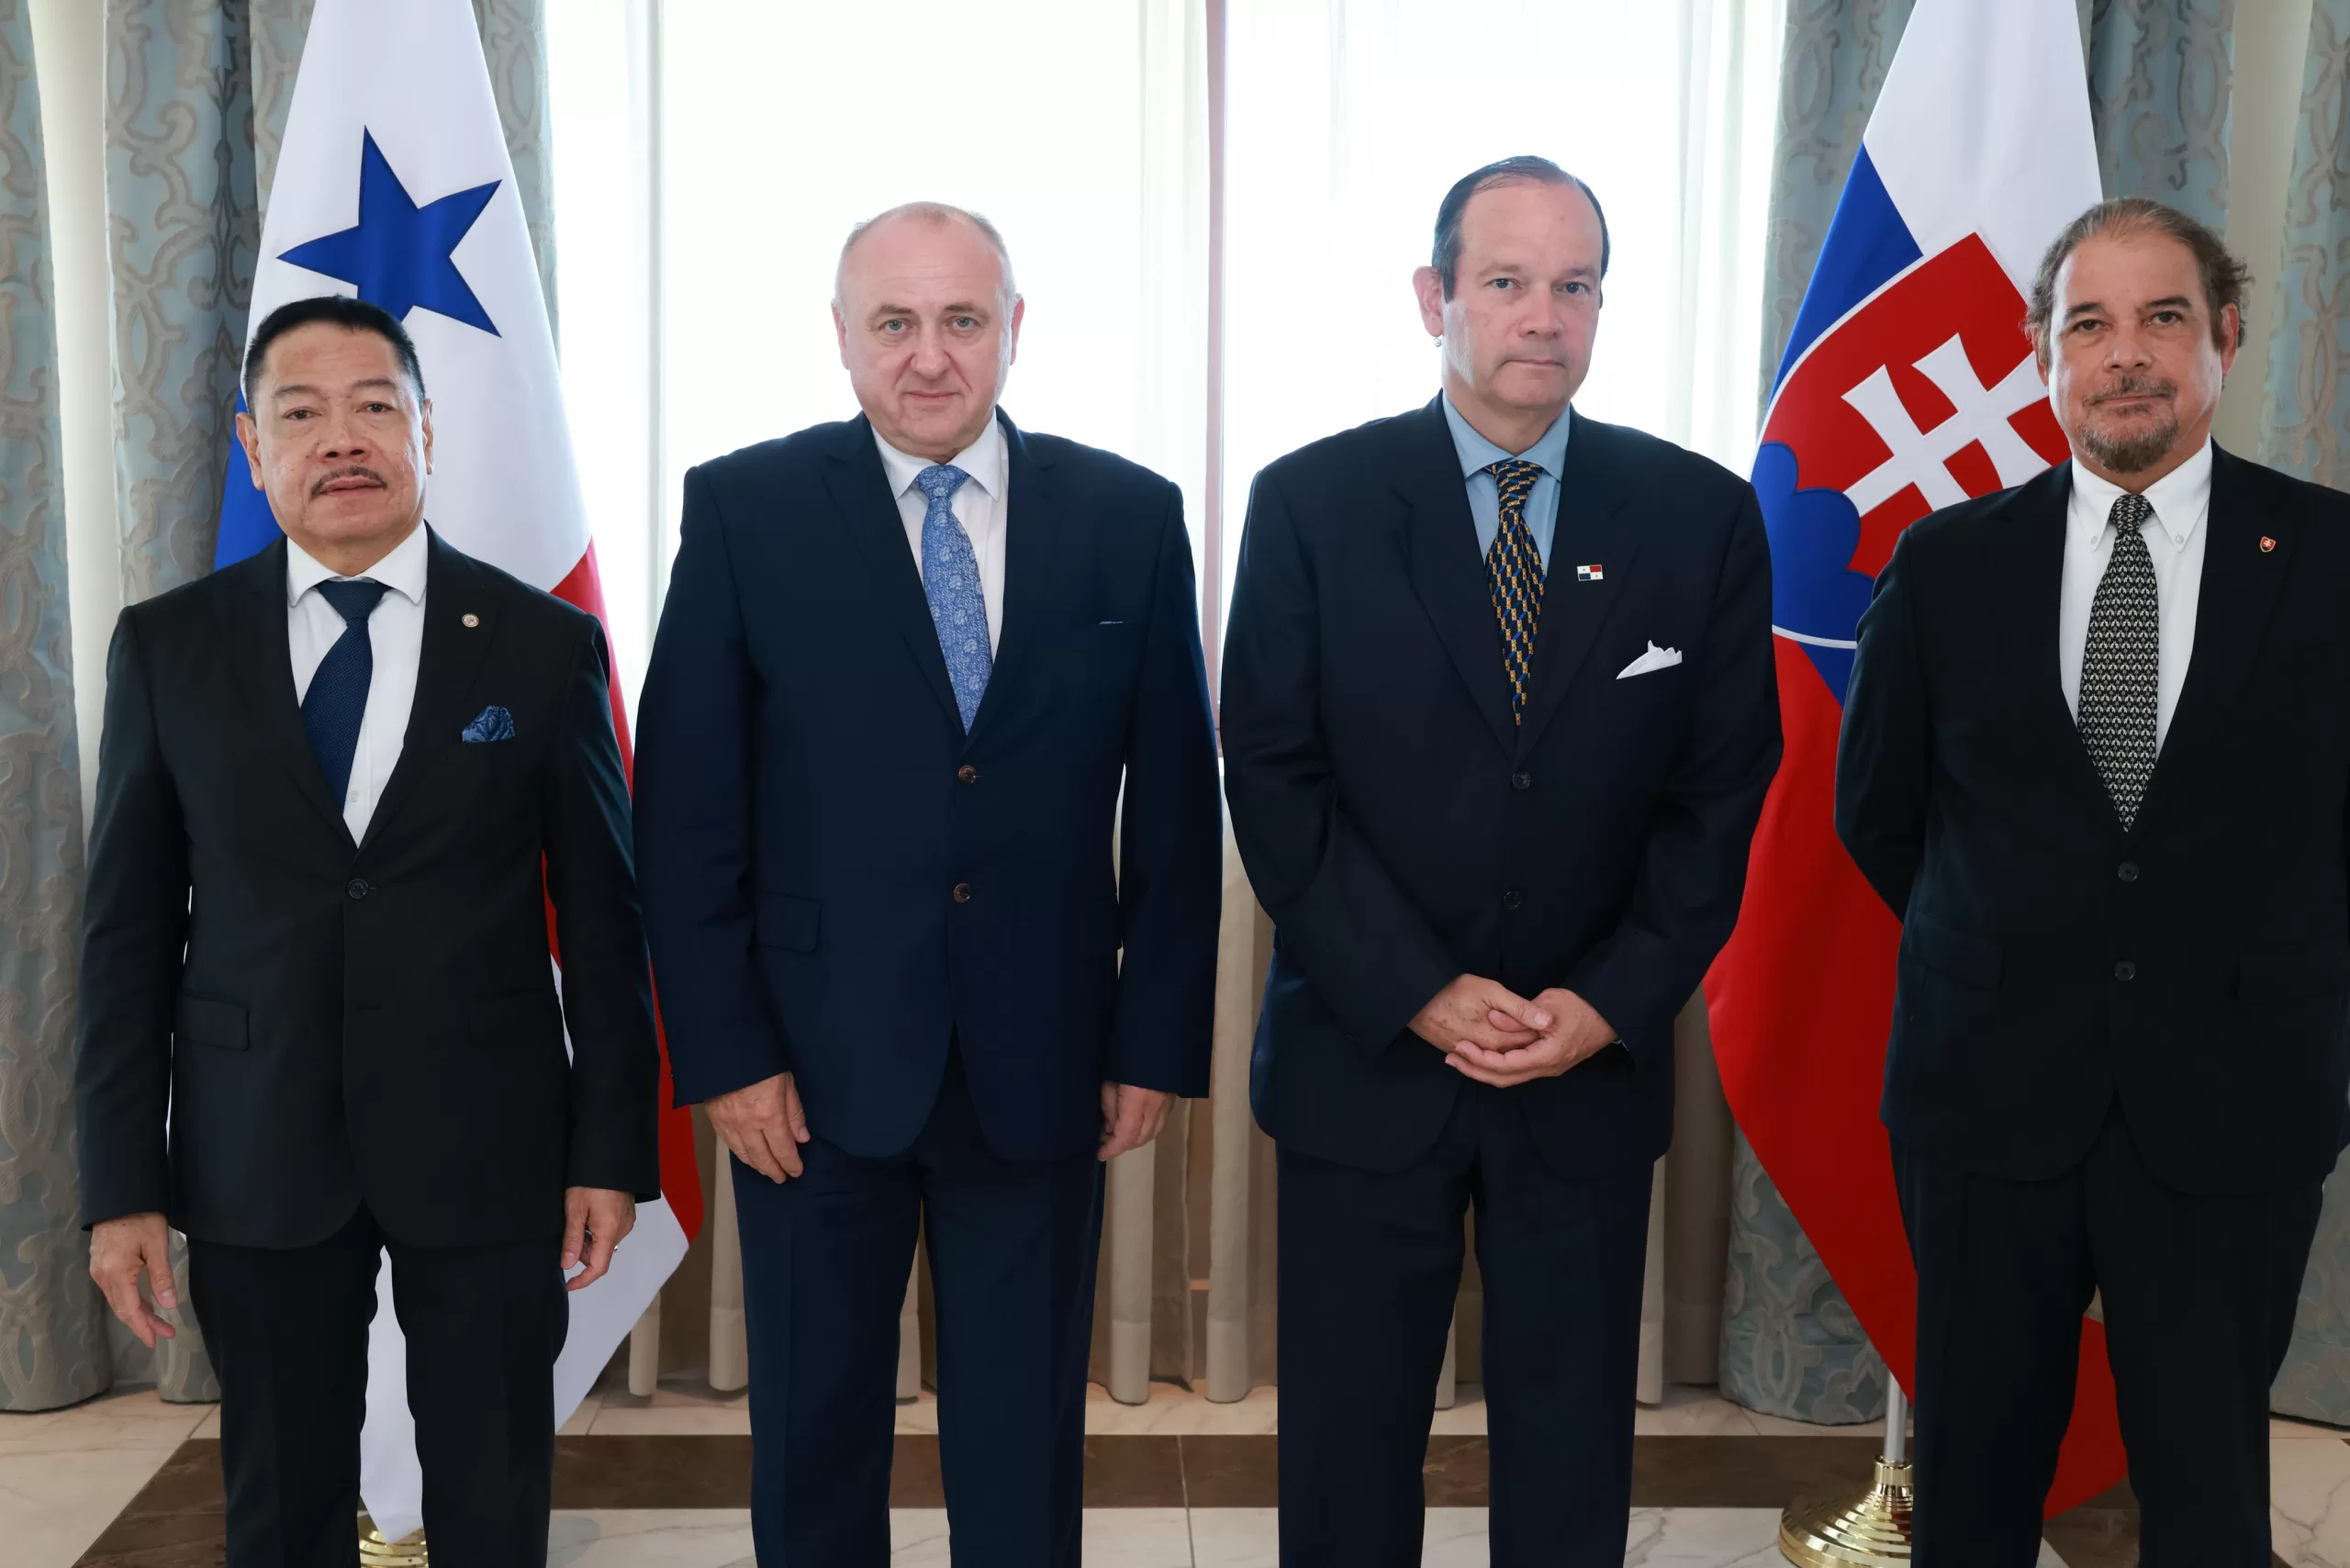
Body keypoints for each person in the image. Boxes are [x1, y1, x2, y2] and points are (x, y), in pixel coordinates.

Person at [632, 202, 1221, 1565]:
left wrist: (1150, 1042)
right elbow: (686, 813)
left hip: (1043, 1064)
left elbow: (1177, 811)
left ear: (1014, 329)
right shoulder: (746, 511)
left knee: (1023, 1443)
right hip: (807, 1071)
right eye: (893, 322)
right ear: (842, 338)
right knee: (814, 1435)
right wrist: (725, 1055)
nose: (930, 355)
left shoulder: (1129, 517)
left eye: (962, 319)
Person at [1219, 156, 1782, 1566]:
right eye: (1508, 281)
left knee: (1571, 1455)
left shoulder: (1697, 515)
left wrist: (1607, 1001)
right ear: (1436, 298)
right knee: (1347, 1451)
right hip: (1368, 1057)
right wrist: (1416, 990)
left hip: (1582, 1064)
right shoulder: (1313, 502)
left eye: (1575, 286)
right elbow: (1275, 781)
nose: (1544, 316)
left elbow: (1720, 796)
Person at [76, 294, 658, 1567]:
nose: (341, 438)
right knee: (281, 1508)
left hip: (490, 1147)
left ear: (426, 431)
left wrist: (611, 1151)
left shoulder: (542, 645)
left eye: (374, 406)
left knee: (493, 1499)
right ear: (253, 448)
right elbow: (124, 937)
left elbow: (606, 924)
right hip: (256, 1145)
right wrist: (120, 1187)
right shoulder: (168, 649)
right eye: (301, 413)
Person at [1837, 196, 2350, 1564]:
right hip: (1985, 1091)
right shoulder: (1946, 566)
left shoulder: (2332, 559)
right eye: (2089, 324)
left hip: (2237, 1098)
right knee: (1973, 1487)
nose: (2126, 354)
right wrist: (2019, 944)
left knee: (2208, 1500)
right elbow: (1880, 816)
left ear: (2225, 336)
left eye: (2163, 318)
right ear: (2044, 356)